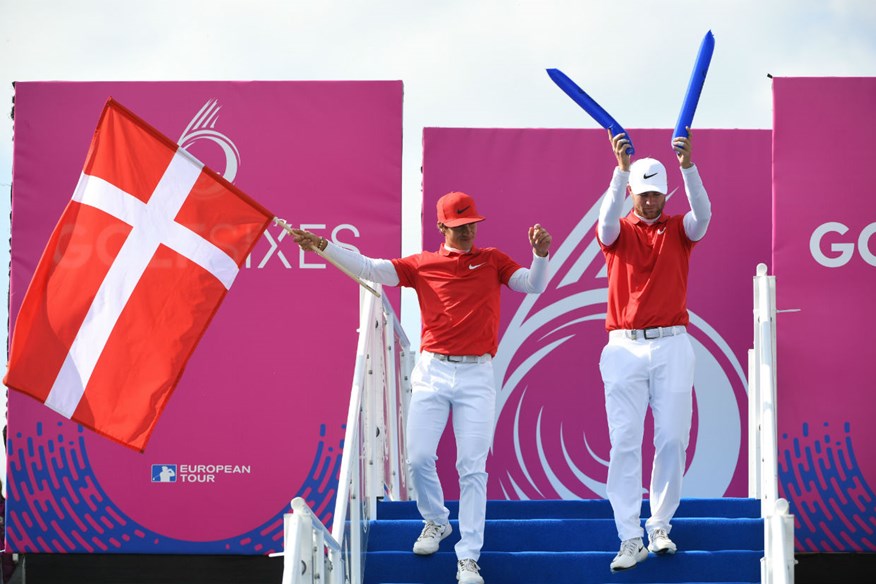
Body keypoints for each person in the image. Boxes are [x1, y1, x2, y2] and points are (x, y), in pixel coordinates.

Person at [292, 192, 551, 584]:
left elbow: (532, 285)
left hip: (477, 374)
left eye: (472, 225)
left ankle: (468, 558)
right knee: (418, 458)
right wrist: (323, 246)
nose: (467, 232)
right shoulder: (421, 264)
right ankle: (436, 520)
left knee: (472, 468)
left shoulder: (493, 259)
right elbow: (368, 267)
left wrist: (541, 255)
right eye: (459, 226)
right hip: (432, 370)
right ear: (442, 226)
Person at [595, 128, 711, 572]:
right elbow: (606, 221)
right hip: (624, 346)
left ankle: (658, 524)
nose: (649, 202)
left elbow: (704, 213)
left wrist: (689, 166)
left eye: (657, 194)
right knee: (624, 442)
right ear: (632, 193)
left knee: (671, 439)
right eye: (642, 194)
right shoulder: (617, 231)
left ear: (666, 193)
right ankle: (629, 537)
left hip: (672, 345)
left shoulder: (680, 229)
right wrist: (619, 170)